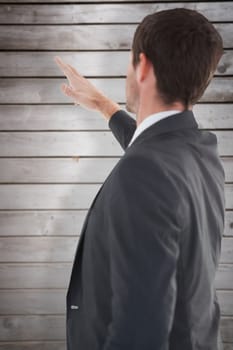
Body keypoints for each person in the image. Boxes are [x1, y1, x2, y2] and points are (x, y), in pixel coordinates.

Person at [54, 8, 225, 350]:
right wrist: (106, 107)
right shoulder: (201, 151)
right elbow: (155, 146)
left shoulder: (145, 172)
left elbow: (141, 331)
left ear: (142, 66)